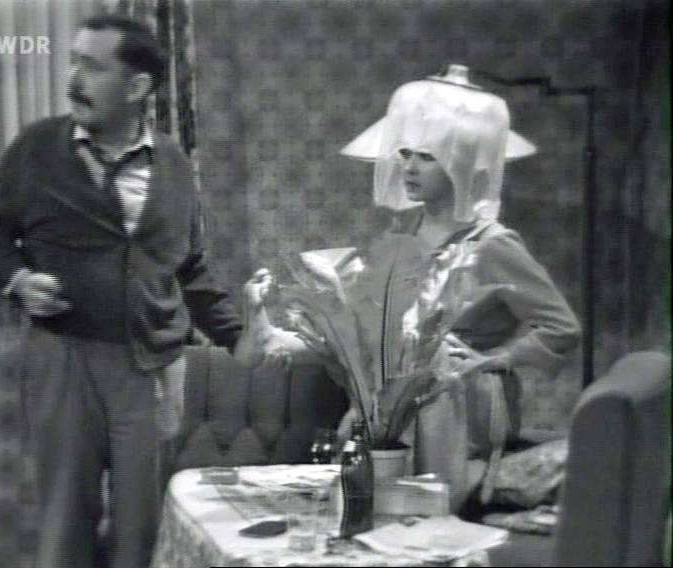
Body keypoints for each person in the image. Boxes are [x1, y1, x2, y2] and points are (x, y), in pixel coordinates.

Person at [0, 14, 270, 568]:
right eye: (74, 62)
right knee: (67, 521)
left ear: (137, 87)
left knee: (141, 528)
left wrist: (234, 335)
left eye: (92, 66)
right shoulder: (38, 147)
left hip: (152, 367)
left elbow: (190, 267)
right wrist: (18, 279)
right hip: (63, 358)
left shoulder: (174, 164)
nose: (74, 79)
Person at [248, 65, 581, 508]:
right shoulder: (407, 227)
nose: (408, 167)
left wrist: (496, 360)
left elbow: (561, 326)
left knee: (425, 508)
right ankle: (275, 339)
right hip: (399, 391)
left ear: (462, 163)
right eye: (404, 154)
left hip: (456, 404)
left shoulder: (493, 244)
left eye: (426, 157)